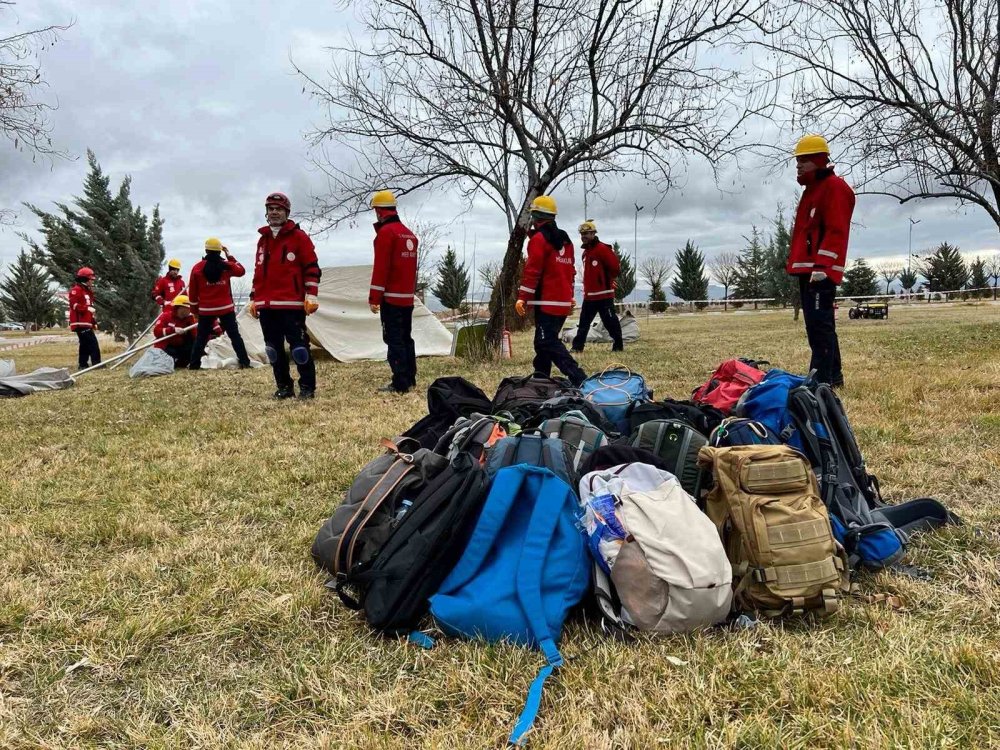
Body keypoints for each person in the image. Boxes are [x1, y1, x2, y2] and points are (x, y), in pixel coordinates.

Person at [787, 134, 855, 388]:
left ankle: (821, 380)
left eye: (803, 160)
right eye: (797, 160)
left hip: (820, 271)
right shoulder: (813, 190)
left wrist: (823, 266)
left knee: (820, 327)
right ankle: (832, 377)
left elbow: (836, 230)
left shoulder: (834, 187)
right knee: (817, 326)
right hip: (809, 269)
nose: (798, 165)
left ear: (818, 159)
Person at [248, 192, 321, 400]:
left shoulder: (299, 237)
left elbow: (312, 267)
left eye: (278, 209)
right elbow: (258, 272)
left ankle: (307, 387)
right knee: (273, 349)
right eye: (271, 209)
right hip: (266, 304)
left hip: (291, 304)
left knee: (299, 348)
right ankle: (284, 387)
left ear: (287, 212)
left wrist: (312, 294)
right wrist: (254, 297)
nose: (274, 212)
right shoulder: (262, 240)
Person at [515, 195, 587, 386]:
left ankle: (579, 378)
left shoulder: (538, 239)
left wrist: (522, 297)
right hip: (561, 302)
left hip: (545, 302)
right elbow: (570, 271)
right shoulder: (566, 240)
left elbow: (532, 271)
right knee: (542, 343)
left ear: (537, 217)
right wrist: (569, 296)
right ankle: (541, 380)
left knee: (546, 341)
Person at [368, 190, 418, 394]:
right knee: (406, 338)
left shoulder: (386, 234)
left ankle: (400, 383)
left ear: (379, 211)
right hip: (407, 298)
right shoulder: (408, 234)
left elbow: (381, 268)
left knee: (394, 340)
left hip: (391, 299)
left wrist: (374, 298)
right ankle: (410, 377)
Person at [187, 237, 251, 370]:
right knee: (234, 336)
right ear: (219, 251)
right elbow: (241, 270)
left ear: (206, 250)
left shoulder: (197, 268)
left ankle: (194, 365)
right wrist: (230, 256)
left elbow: (192, 293)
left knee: (201, 338)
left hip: (206, 310)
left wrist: (194, 311)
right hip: (226, 308)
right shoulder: (227, 266)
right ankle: (245, 362)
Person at [571, 219, 623, 353]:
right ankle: (577, 347)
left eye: (586, 234)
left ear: (593, 234)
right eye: (582, 234)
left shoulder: (603, 249)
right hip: (589, 296)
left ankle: (618, 345)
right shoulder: (585, 253)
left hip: (604, 295)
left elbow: (615, 268)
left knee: (610, 322)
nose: (583, 237)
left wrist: (608, 280)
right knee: (583, 323)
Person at [152, 294, 220, 368]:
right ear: (181, 308)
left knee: (192, 346)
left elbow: (195, 335)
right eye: (189, 308)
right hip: (166, 346)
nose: (190, 311)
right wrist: (173, 330)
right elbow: (156, 331)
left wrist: (208, 340)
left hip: (180, 347)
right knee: (169, 358)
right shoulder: (166, 316)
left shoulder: (189, 319)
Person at [68, 266, 101, 369]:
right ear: (85, 279)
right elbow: (74, 305)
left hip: (86, 322)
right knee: (92, 343)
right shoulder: (76, 290)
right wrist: (86, 309)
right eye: (91, 279)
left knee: (84, 344)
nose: (92, 282)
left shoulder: (87, 291)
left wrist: (93, 321)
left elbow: (90, 308)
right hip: (80, 323)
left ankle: (83, 364)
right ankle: (96, 363)